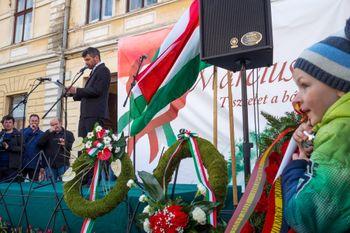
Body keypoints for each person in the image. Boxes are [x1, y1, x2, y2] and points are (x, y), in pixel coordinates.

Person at [282, 19, 350, 233]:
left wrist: (297, 167)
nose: (296, 98)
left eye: (304, 85)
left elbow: (306, 216)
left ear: (340, 85)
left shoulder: (339, 132)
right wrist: (312, 142)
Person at [66, 47, 111, 137]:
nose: (86, 63)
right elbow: (88, 93)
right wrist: (71, 93)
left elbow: (97, 91)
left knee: (92, 146)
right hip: (86, 116)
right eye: (85, 60)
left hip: (95, 115)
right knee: (82, 144)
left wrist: (76, 90)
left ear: (96, 58)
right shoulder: (94, 72)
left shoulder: (103, 70)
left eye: (88, 59)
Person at [22, 114, 44, 181]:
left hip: (35, 164)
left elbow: (43, 150)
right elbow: (21, 141)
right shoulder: (23, 131)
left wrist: (42, 166)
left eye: (36, 121)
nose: (34, 122)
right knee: (20, 184)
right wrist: (30, 130)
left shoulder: (42, 134)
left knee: (34, 184)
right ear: (29, 121)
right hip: (22, 163)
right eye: (32, 121)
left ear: (38, 122)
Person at [0, 115, 21, 182]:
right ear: (3, 124)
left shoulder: (18, 135)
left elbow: (22, 149)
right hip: (1, 165)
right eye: (6, 122)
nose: (8, 124)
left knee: (10, 187)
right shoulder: (0, 134)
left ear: (13, 124)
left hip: (12, 167)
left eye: (10, 122)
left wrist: (9, 147)